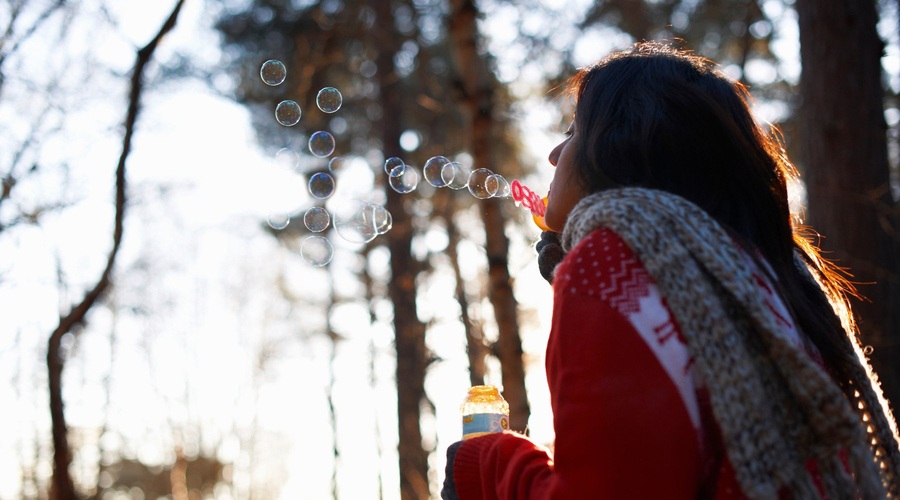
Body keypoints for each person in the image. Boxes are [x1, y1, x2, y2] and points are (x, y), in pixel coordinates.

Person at [441, 41, 900, 499]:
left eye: (575, 129)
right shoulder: (775, 276)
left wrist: (486, 462)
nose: (554, 155)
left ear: (619, 144)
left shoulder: (607, 267)